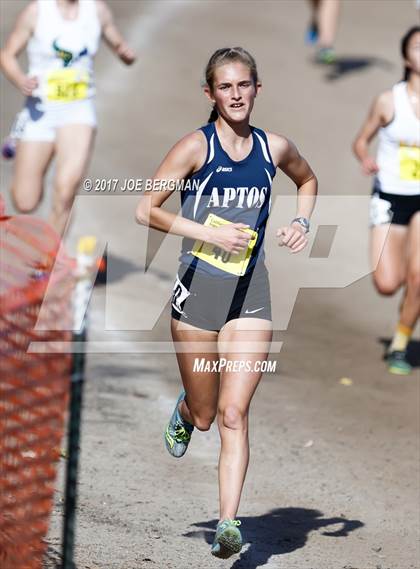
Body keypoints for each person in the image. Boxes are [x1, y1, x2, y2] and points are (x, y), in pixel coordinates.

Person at [136, 47, 317, 559]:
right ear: (210, 93)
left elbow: (307, 179)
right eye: (225, 87)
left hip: (250, 295)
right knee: (206, 415)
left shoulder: (274, 147)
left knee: (235, 414)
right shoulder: (195, 147)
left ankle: (229, 524)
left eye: (244, 85)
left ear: (257, 88)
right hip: (196, 295)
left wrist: (301, 222)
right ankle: (187, 406)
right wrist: (206, 234)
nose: (235, 95)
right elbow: (145, 208)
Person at [0, 0, 136, 237]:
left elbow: (119, 44)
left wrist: (126, 54)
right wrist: (21, 80)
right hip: (40, 111)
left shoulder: (96, 10)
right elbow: (7, 55)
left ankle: (46, 263)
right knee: (25, 201)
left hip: (78, 111)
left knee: (65, 192)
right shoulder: (37, 11)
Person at [353, 26, 420, 375]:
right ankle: (407, 297)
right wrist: (366, 158)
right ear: (405, 57)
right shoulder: (388, 100)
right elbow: (360, 140)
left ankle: (400, 343)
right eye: (418, 47)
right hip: (390, 196)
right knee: (387, 283)